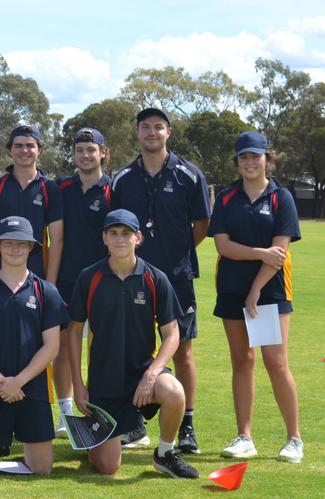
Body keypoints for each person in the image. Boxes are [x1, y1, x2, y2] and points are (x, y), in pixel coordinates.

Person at [67, 209, 199, 479]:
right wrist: (78, 385)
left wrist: (152, 374)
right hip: (105, 381)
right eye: (113, 234)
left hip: (143, 373)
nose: (119, 240)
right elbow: (73, 332)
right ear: (104, 238)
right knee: (107, 466)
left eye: (126, 234)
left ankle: (165, 453)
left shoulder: (155, 278)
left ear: (138, 237)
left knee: (174, 392)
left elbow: (172, 334)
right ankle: (95, 439)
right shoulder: (88, 277)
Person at [111, 108, 209, 453]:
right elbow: (115, 227)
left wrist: (175, 255)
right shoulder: (122, 178)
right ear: (137, 132)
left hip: (178, 279)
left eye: (158, 127)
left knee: (182, 351)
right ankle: (134, 424)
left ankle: (186, 426)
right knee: (131, 350)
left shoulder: (190, 175)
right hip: (132, 277)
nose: (151, 132)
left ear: (169, 131)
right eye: (145, 127)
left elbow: (201, 225)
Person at [208, 131, 302, 463]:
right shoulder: (226, 197)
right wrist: (260, 252)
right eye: (243, 157)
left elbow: (279, 255)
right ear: (237, 162)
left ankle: (294, 439)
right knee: (242, 361)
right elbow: (223, 246)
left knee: (275, 363)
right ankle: (244, 437)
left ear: (267, 158)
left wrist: (257, 288)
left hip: (270, 290)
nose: (249, 162)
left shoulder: (282, 197)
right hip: (233, 289)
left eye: (255, 156)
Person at [0, 216, 65, 475]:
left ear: (31, 248)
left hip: (34, 389)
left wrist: (18, 381)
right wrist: (0, 382)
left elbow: (52, 347)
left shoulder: (46, 291)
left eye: (21, 243)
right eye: (8, 243)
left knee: (42, 470)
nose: (14, 249)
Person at [53, 128, 111, 436]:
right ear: (73, 155)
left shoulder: (114, 190)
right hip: (65, 281)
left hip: (104, 281)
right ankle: (64, 414)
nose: (85, 155)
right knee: (62, 348)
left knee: (101, 348)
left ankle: (101, 411)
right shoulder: (61, 188)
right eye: (80, 150)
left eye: (91, 149)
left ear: (103, 152)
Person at [0, 124, 63, 283]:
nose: (24, 150)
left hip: (38, 276)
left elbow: (56, 239)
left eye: (30, 146)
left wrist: (51, 284)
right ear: (10, 150)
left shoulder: (50, 189)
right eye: (18, 146)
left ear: (39, 150)